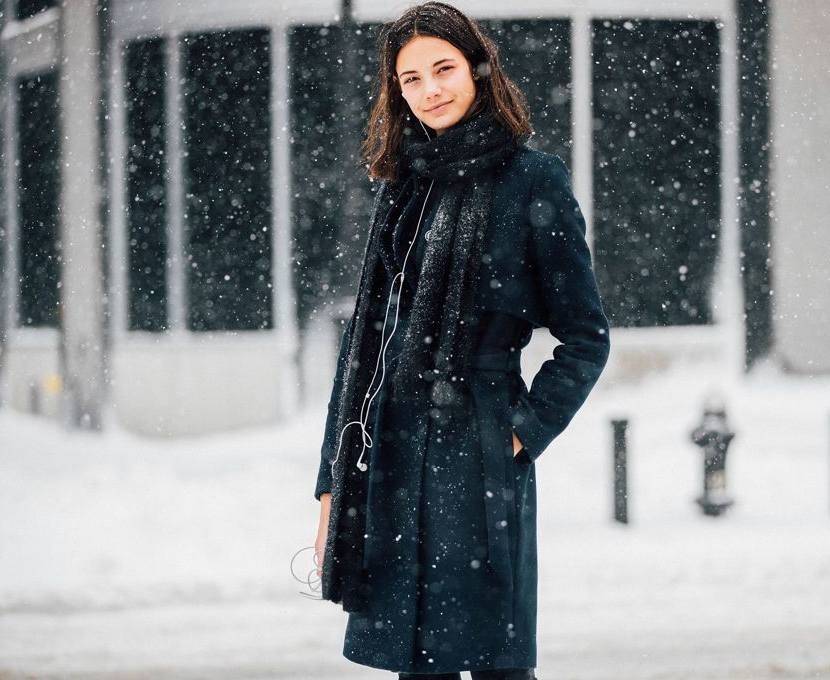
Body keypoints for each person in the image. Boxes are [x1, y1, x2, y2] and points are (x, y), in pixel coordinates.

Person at [312, 3, 610, 678]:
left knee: (496, 660)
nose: (430, 90)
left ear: (477, 70)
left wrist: (519, 432)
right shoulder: (403, 187)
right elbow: (367, 344)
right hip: (391, 459)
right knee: (418, 662)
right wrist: (333, 478)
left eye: (443, 69)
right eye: (410, 79)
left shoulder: (533, 180)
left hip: (479, 459)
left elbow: (585, 337)